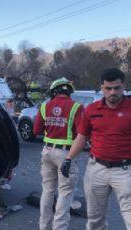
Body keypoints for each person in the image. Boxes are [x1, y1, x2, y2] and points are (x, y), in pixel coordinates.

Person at [61, 68, 131, 230]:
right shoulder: (91, 110)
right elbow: (81, 137)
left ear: (123, 87)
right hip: (96, 170)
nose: (112, 92)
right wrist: (68, 159)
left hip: (125, 171)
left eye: (117, 88)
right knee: (94, 220)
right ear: (102, 88)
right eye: (108, 88)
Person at [33, 77, 84, 230]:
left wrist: (52, 127)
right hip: (66, 154)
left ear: (55, 91)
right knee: (65, 192)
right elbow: (82, 133)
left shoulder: (44, 106)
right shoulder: (76, 107)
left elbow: (36, 131)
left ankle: (44, 226)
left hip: (47, 151)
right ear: (69, 91)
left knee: (47, 190)